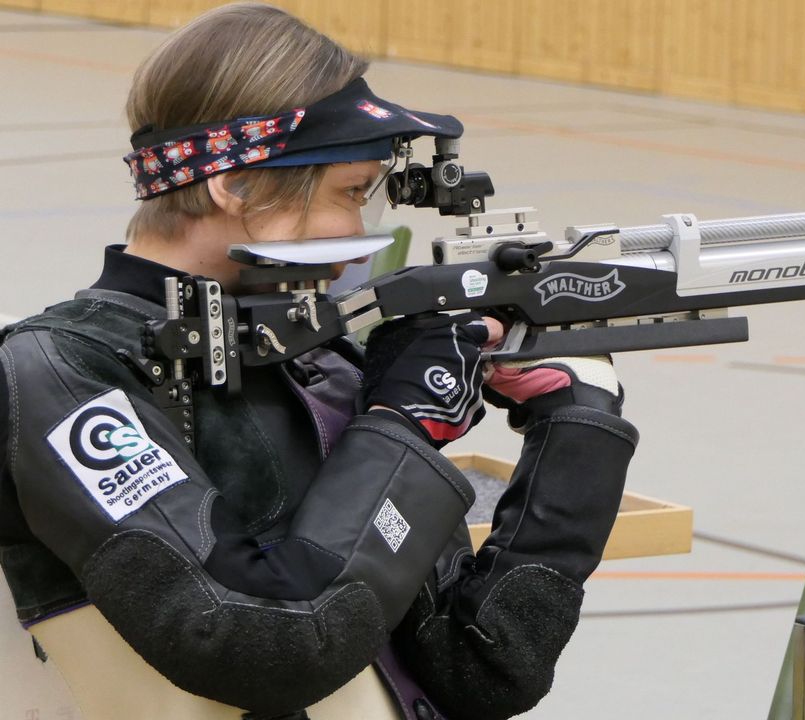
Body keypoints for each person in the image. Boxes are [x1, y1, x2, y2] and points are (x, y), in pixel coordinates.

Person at [0, 4, 637, 719]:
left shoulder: (321, 362)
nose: (359, 233)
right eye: (348, 193)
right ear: (234, 185)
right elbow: (263, 644)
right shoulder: (63, 369)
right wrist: (402, 424)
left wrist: (577, 422)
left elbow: (483, 666)